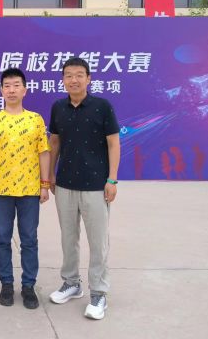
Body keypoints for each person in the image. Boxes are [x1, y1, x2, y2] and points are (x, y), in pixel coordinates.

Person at [48, 57, 120, 320]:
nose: (74, 80)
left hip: (96, 186)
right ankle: (71, 283)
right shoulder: (58, 107)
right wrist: (50, 174)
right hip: (65, 184)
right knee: (68, 238)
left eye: (79, 75)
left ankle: (99, 293)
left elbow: (113, 143)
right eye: (68, 75)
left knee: (98, 242)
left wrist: (112, 180)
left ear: (88, 79)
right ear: (63, 80)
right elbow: (54, 143)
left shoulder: (102, 106)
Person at [0, 68, 51, 309]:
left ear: (25, 90)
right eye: (7, 86)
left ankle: (28, 286)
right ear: (1, 90)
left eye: (16, 85)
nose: (11, 90)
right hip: (1, 190)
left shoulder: (35, 119)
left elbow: (43, 152)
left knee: (29, 239)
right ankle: (6, 284)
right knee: (2, 238)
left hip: (30, 190)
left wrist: (44, 185)